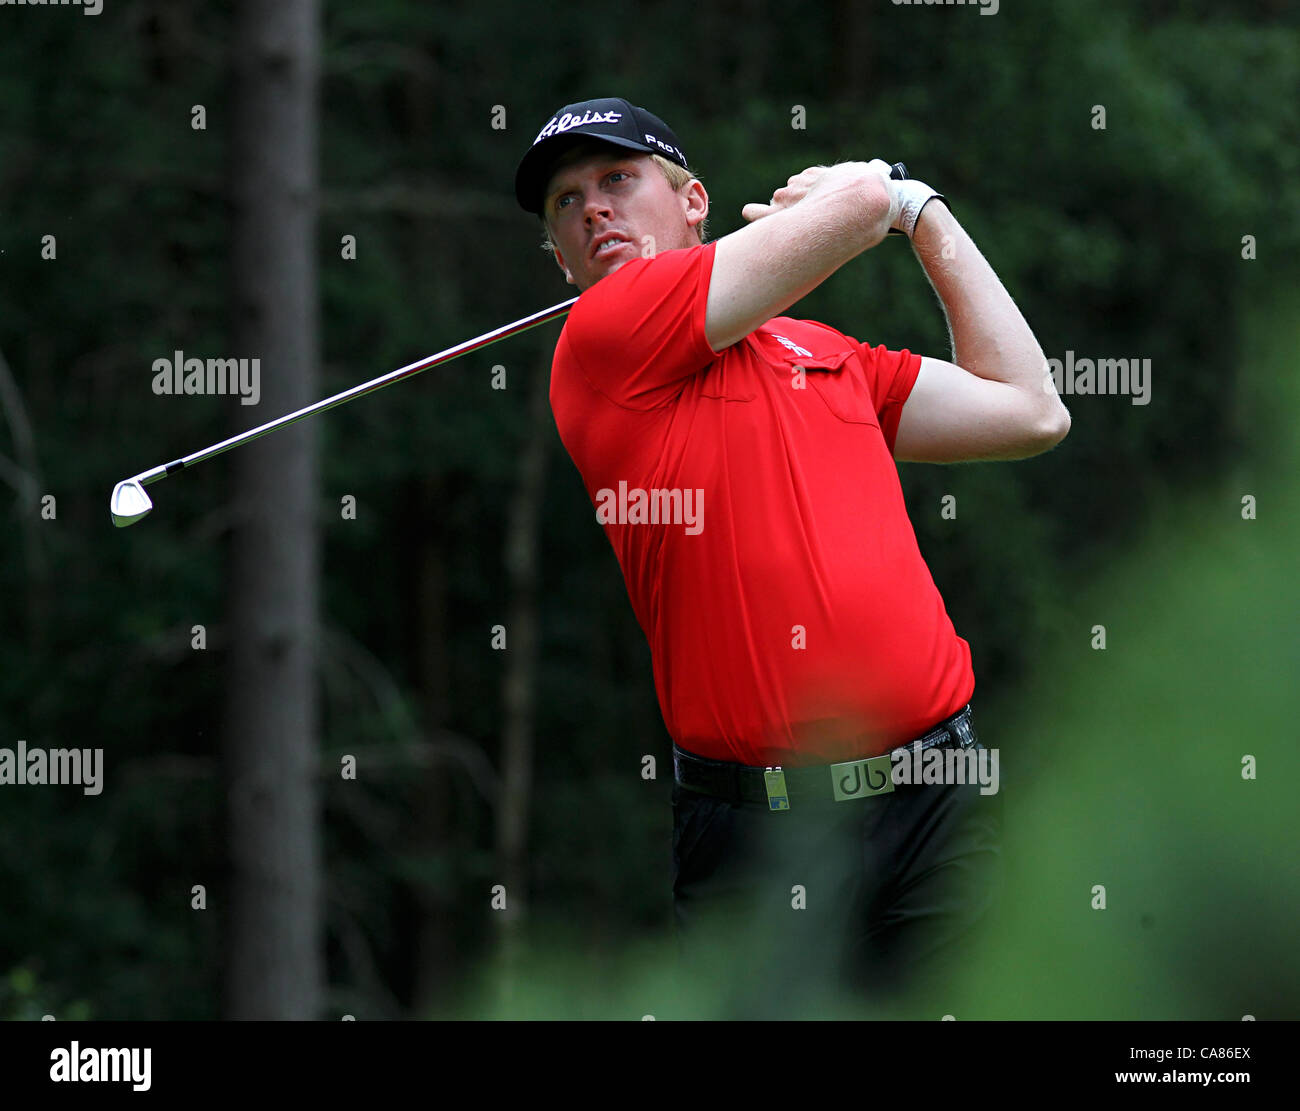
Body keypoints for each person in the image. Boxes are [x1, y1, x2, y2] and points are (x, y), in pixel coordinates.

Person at [514, 97, 1070, 1017]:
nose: (593, 209)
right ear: (563, 259)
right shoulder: (601, 342)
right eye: (566, 204)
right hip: (757, 837)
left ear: (694, 200)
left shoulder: (822, 352)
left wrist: (927, 212)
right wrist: (872, 193)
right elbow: (857, 210)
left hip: (936, 796)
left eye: (617, 179)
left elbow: (1030, 409)